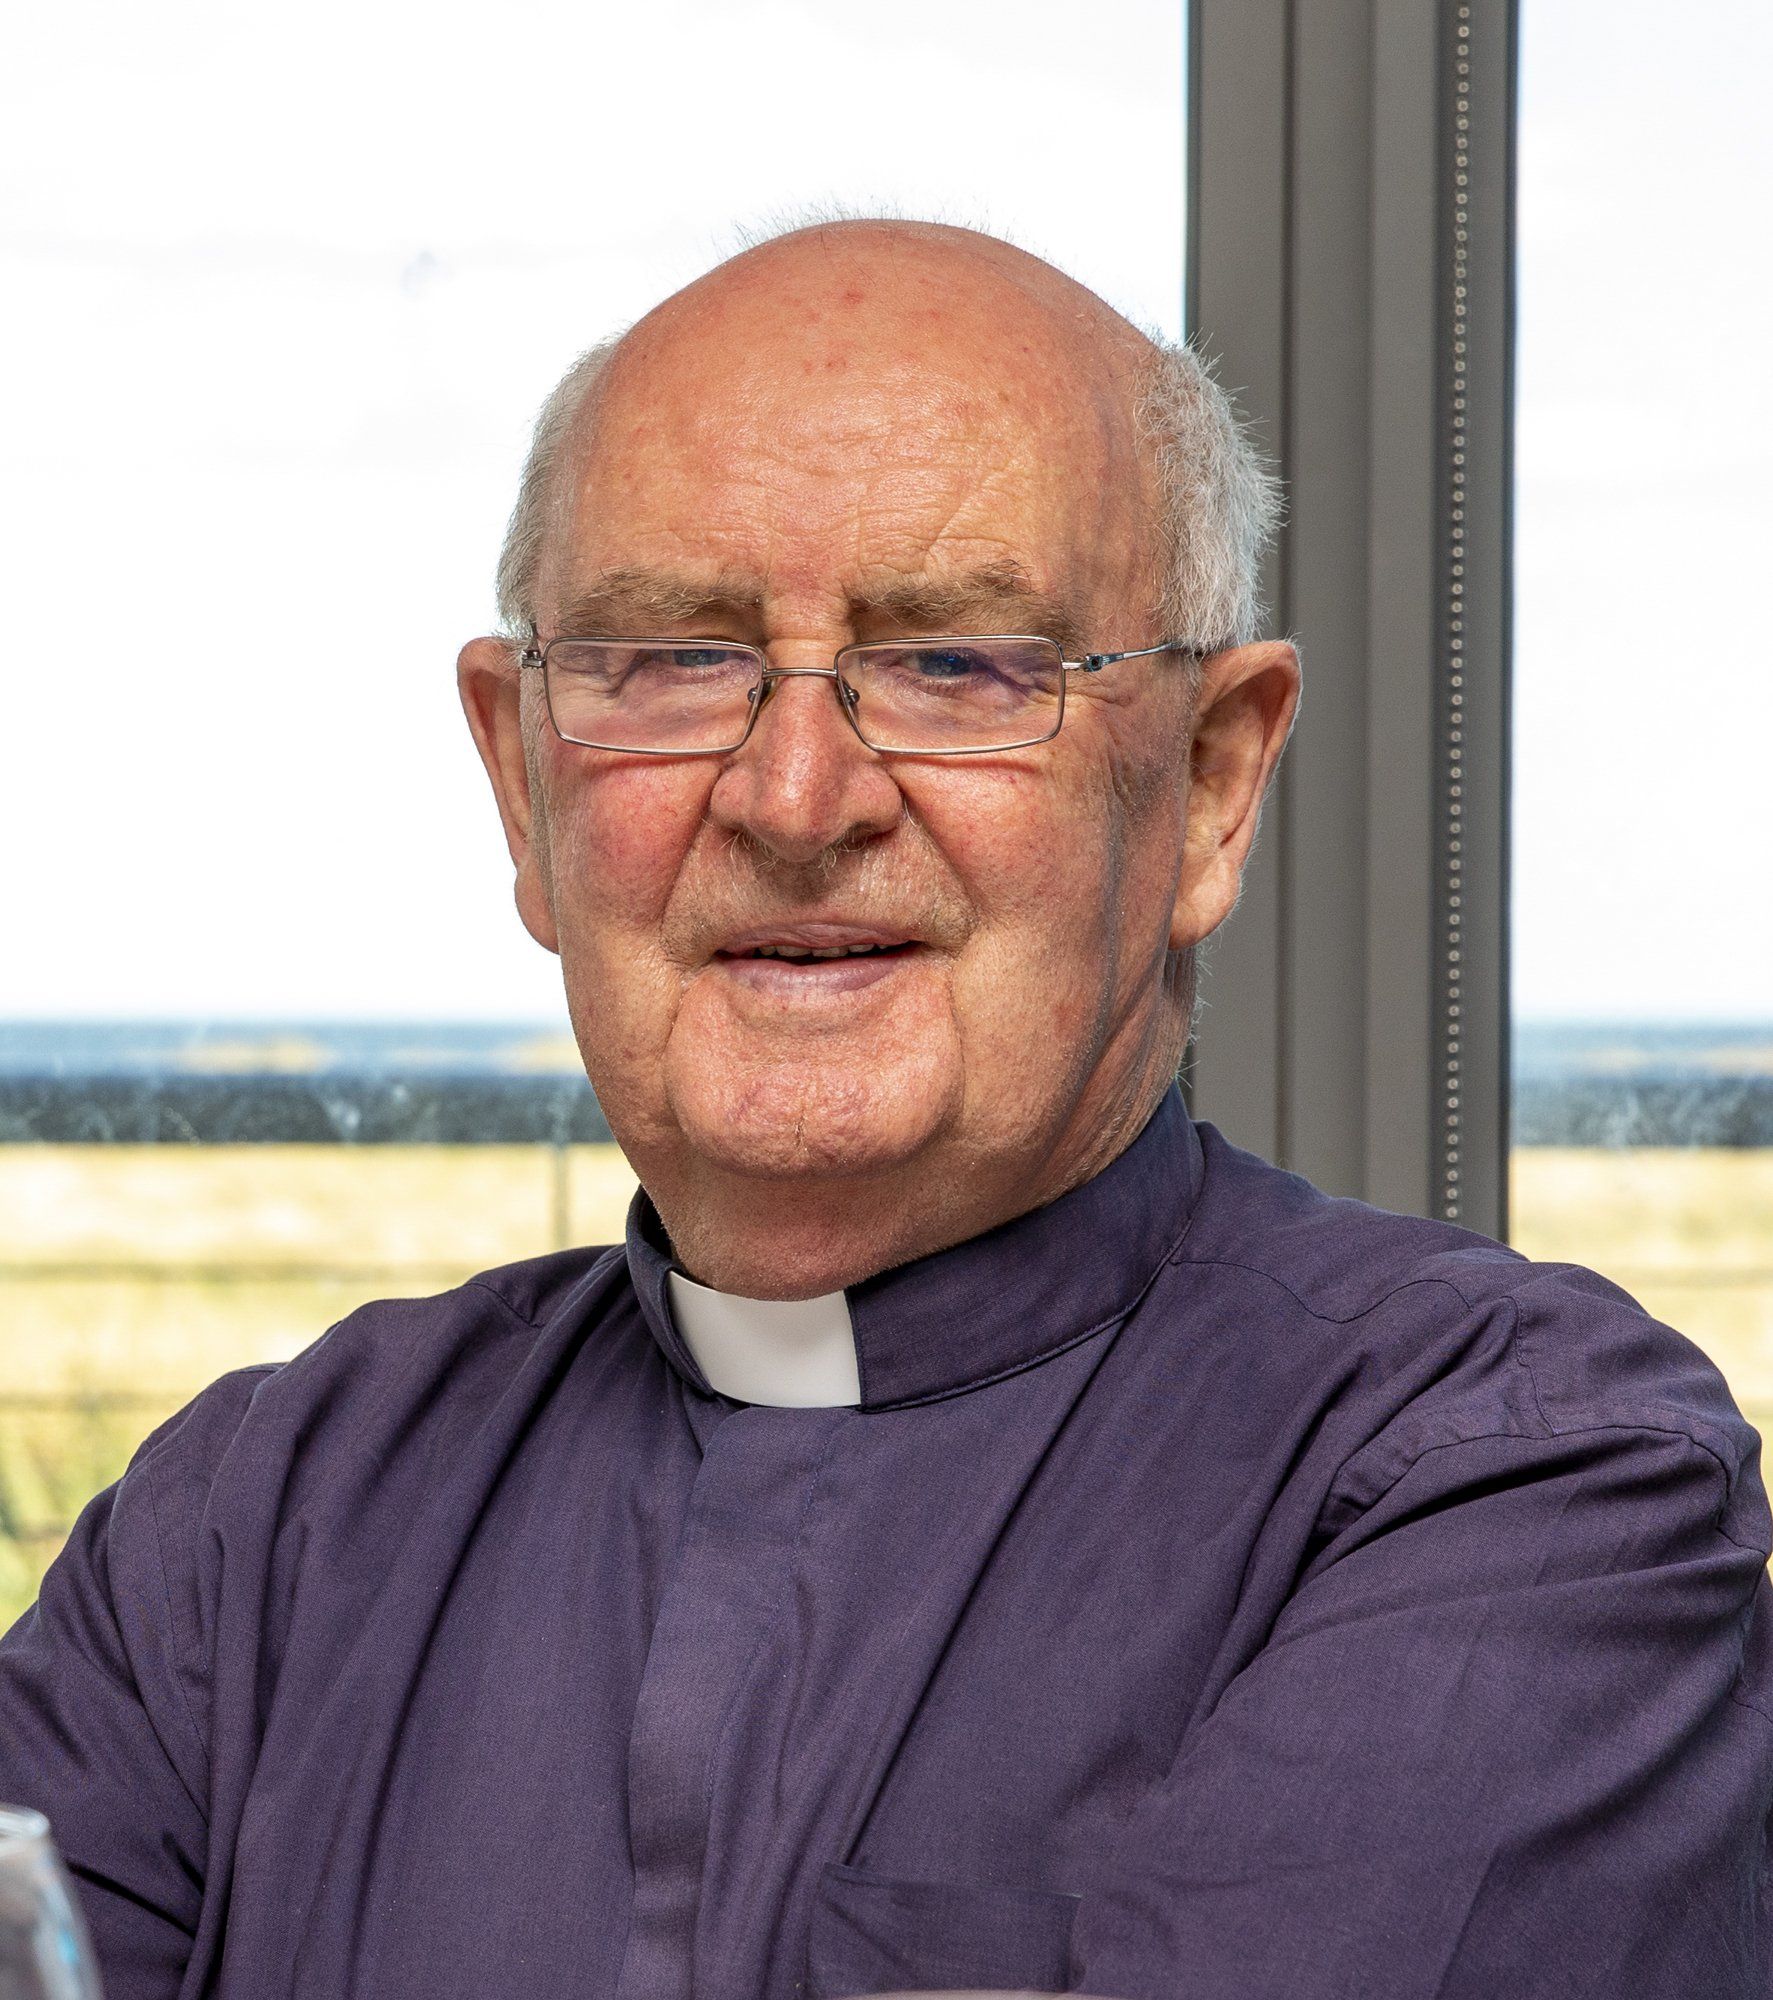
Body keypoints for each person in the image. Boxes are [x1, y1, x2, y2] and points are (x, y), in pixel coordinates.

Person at [1, 219, 1768, 2000]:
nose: (792, 794)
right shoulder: (255, 1529)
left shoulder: (1509, 1488)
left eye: (960, 663)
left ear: (1211, 788)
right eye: (673, 659)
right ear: (521, 783)